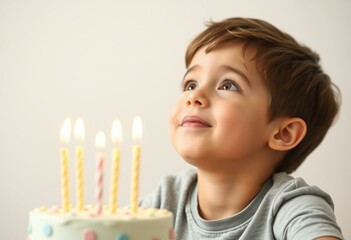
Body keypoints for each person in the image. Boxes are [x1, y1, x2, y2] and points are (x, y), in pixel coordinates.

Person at [141, 17, 344, 239]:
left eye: (228, 85)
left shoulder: (291, 206)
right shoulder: (165, 200)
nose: (194, 97)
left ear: (283, 133)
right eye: (191, 84)